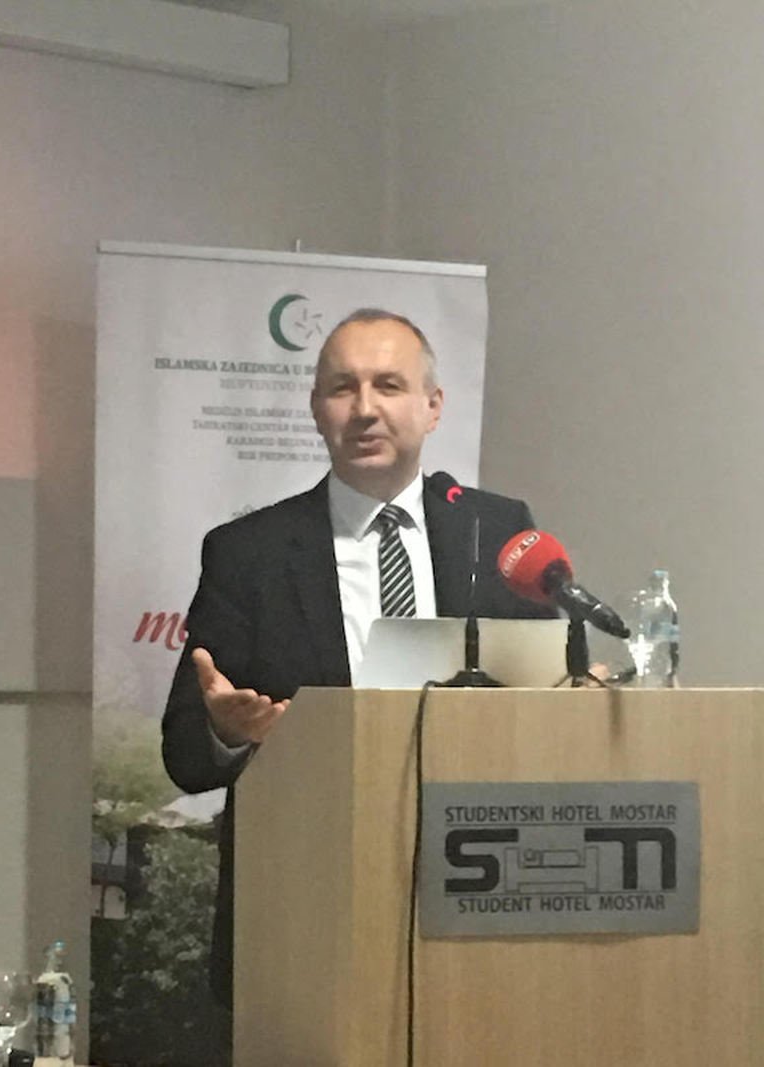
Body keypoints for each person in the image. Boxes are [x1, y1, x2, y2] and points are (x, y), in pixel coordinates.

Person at [162, 307, 554, 1003]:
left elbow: (544, 701)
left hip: (478, 885)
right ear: (317, 409)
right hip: (310, 902)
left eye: (389, 385)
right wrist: (229, 730)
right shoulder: (249, 553)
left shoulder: (496, 530)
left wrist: (574, 689)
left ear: (433, 407)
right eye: (343, 388)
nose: (365, 408)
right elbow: (185, 752)